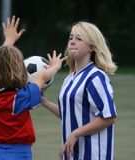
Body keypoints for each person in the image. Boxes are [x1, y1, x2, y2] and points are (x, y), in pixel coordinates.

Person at [0, 16, 67, 160]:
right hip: (19, 154)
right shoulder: (21, 97)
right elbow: (42, 78)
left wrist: (9, 41)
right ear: (18, 69)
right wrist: (56, 66)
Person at [42, 21, 117, 160]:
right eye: (71, 38)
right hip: (72, 155)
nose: (72, 42)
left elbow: (109, 117)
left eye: (79, 38)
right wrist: (45, 102)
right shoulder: (69, 79)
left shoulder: (96, 77)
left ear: (92, 47)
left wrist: (75, 133)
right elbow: (70, 114)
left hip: (94, 155)